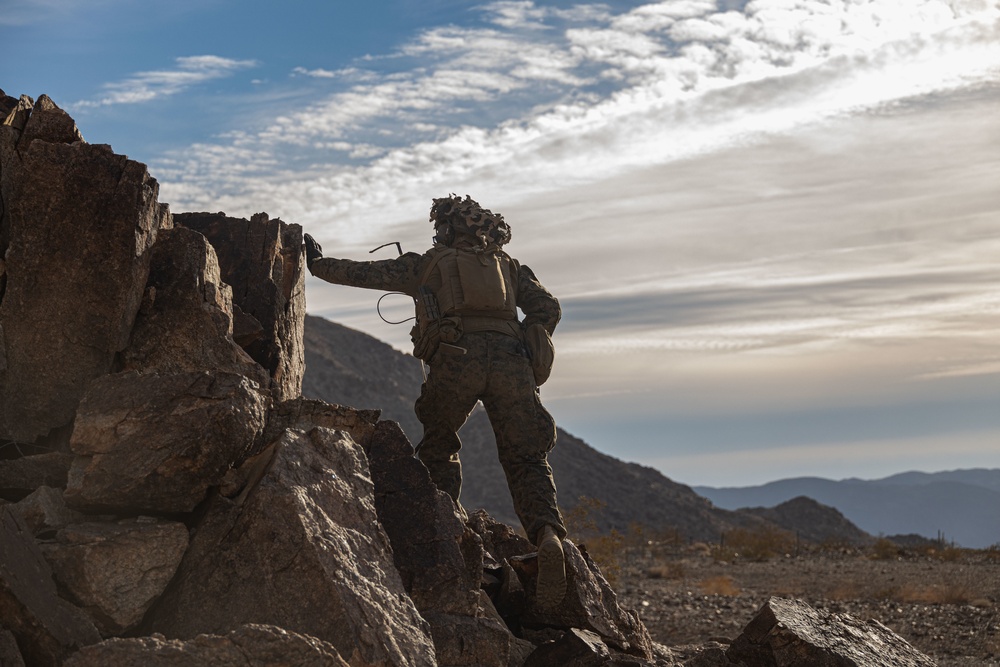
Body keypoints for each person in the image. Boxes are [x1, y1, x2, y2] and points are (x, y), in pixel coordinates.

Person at [304, 194, 567, 608]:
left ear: (447, 228)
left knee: (439, 445)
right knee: (526, 458)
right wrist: (529, 340)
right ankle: (548, 535)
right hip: (511, 364)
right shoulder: (510, 267)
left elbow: (363, 273)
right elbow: (547, 308)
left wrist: (318, 265)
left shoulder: (425, 263)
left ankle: (448, 535)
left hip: (454, 359)